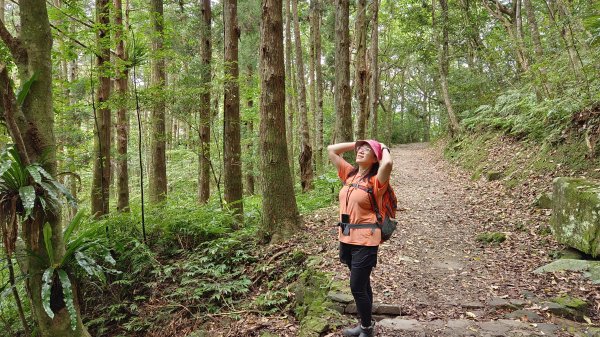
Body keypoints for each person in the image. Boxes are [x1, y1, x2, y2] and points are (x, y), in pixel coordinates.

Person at [327, 140, 393, 337]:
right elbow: (331, 150)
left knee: (356, 286)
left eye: (367, 150)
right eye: (360, 149)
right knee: (363, 285)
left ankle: (366, 328)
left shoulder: (377, 180)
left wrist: (382, 147)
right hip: (346, 237)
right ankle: (367, 324)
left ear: (375, 158)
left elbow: (388, 164)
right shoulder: (350, 174)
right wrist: (357, 143)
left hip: (366, 240)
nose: (361, 151)